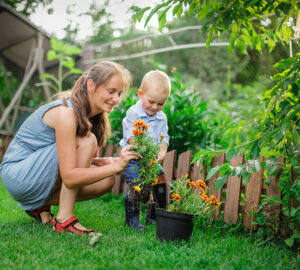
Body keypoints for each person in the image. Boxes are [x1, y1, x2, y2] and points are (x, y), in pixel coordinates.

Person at [0, 61, 140, 236]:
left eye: (119, 93)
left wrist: (104, 162)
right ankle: (64, 219)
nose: (116, 99)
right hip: (18, 174)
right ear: (91, 85)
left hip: (33, 171)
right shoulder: (67, 113)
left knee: (106, 180)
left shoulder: (90, 116)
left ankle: (39, 207)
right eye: (111, 91)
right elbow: (70, 176)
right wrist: (117, 167)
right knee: (87, 141)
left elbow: (72, 161)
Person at [120, 70, 171, 232]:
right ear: (140, 94)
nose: (155, 107)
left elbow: (163, 137)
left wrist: (162, 151)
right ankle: (132, 220)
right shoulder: (133, 113)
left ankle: (154, 215)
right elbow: (131, 138)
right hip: (134, 156)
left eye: (160, 103)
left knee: (160, 182)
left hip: (151, 158)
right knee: (136, 185)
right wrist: (144, 149)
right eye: (151, 102)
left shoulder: (161, 117)